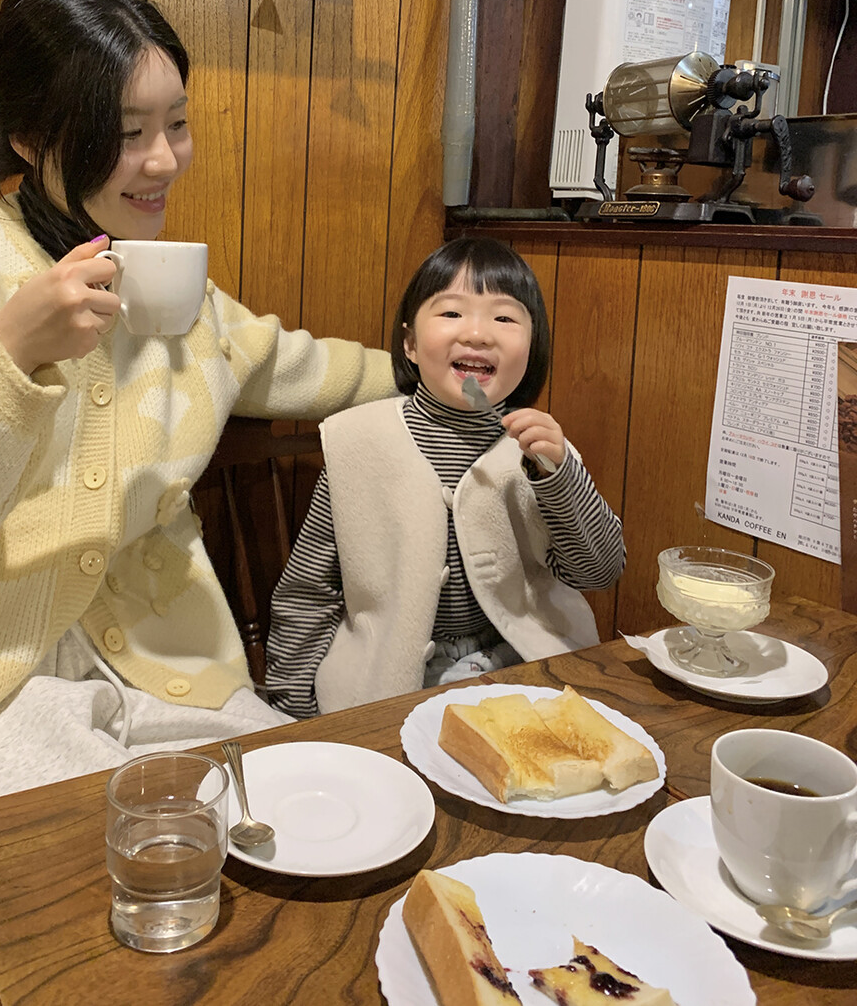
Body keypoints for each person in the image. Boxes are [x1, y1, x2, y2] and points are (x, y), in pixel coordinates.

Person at [0, 0, 393, 1004]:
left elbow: (299, 363)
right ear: (29, 136)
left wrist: (439, 374)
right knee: (85, 880)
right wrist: (4, 355)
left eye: (176, 125)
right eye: (123, 132)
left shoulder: (175, 290)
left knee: (297, 825)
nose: (160, 161)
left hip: (160, 670)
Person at [265, 238, 625, 719]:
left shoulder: (541, 452)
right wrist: (291, 712)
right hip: (389, 679)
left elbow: (599, 572)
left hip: (518, 663)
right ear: (410, 343)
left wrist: (560, 477)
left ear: (531, 346)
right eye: (452, 313)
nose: (477, 334)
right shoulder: (357, 443)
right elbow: (308, 593)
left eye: (504, 318)